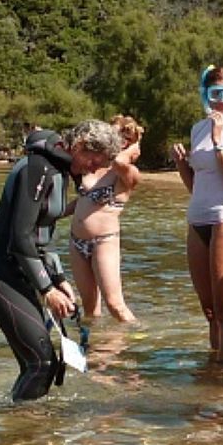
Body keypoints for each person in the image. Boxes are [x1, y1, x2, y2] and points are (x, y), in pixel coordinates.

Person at [0, 122, 119, 402]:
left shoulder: (59, 172)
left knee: (42, 365)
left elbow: (42, 238)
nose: (93, 169)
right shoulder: (38, 168)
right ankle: (23, 435)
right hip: (0, 273)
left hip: (22, 274)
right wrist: (46, 290)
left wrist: (59, 280)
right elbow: (20, 237)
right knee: (41, 365)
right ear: (79, 146)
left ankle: (23, 430)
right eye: (93, 160)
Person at [170, 66, 223, 362]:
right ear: (205, 95)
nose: (222, 100)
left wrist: (220, 142)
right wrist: (182, 164)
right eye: (215, 93)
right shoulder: (198, 129)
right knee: (208, 309)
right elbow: (196, 187)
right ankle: (213, 370)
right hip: (197, 219)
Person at [70, 115, 144, 324]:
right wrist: (52, 214)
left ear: (126, 142)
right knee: (90, 309)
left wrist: (132, 149)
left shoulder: (128, 172)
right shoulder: (92, 167)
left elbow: (119, 160)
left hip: (104, 241)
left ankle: (139, 340)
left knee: (115, 305)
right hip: (76, 241)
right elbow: (84, 202)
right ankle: (97, 350)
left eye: (115, 135)